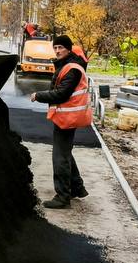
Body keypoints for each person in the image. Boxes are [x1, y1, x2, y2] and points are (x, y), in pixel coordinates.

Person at [30, 34, 92, 208]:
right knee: (66, 153)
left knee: (60, 157)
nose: (57, 51)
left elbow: (61, 94)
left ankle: (62, 197)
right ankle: (77, 188)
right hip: (65, 116)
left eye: (61, 48)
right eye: (55, 47)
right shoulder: (68, 64)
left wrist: (38, 95)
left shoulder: (72, 68)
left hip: (68, 117)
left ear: (68, 49)